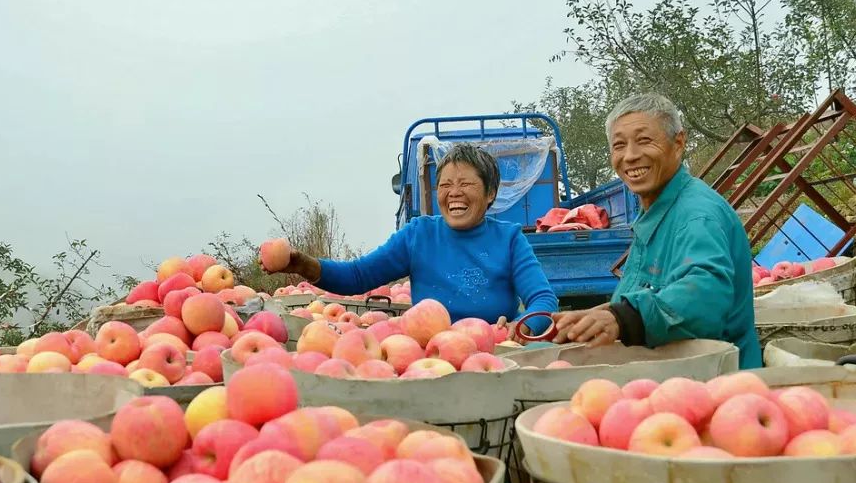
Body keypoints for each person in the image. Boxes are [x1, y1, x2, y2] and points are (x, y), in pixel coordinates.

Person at [551, 93, 762, 369]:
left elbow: (705, 294)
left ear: (678, 143)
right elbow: (652, 294)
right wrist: (602, 316)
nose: (630, 156)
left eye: (644, 141)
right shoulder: (657, 210)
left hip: (718, 384)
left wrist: (625, 318)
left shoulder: (697, 216)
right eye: (619, 145)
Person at [264, 143, 558, 336]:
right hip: (429, 357)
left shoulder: (508, 239)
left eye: (466, 183)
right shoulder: (420, 235)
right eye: (445, 185)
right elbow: (357, 276)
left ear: (490, 193)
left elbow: (543, 299)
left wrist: (522, 328)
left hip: (495, 354)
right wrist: (300, 263)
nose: (454, 192)